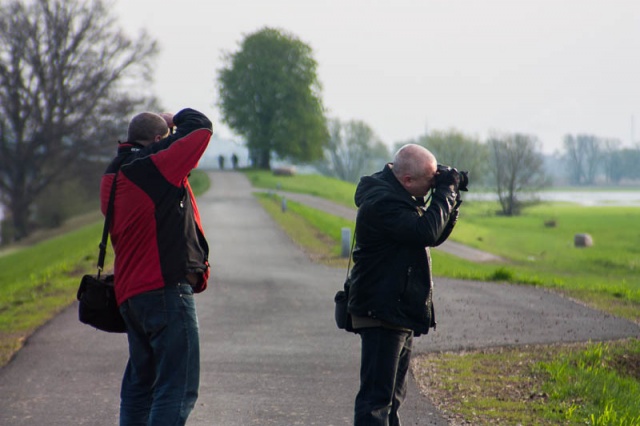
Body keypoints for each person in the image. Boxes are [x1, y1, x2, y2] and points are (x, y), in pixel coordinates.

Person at [100, 108, 213, 426]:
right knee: (177, 388)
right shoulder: (153, 166)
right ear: (157, 140)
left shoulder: (113, 174)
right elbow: (201, 128)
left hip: (130, 296)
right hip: (165, 291)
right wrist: (174, 118)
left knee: (140, 388)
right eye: (166, 139)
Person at [347, 144, 462, 426]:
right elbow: (426, 231)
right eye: (430, 180)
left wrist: (452, 198)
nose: (434, 185)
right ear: (408, 180)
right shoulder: (383, 202)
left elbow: (431, 236)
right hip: (381, 311)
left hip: (396, 310)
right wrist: (445, 193)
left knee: (391, 403)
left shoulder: (399, 195)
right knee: (376, 403)